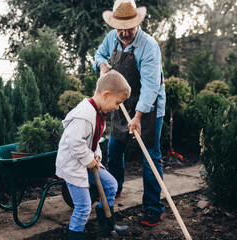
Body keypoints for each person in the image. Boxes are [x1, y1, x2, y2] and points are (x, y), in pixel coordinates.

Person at [93, 0, 166, 227]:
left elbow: (151, 86)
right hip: (120, 105)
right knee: (114, 151)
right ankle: (114, 190)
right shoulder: (111, 39)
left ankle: (154, 208)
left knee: (150, 158)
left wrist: (138, 116)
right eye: (119, 28)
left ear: (137, 23)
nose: (124, 33)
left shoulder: (148, 45)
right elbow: (98, 55)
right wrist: (102, 65)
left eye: (129, 28)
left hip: (148, 108)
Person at [56, 70, 131, 239]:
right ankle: (76, 235)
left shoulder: (99, 113)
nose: (117, 107)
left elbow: (94, 141)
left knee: (111, 185)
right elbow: (74, 142)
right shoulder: (84, 114)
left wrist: (96, 156)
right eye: (117, 103)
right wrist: (88, 158)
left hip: (87, 160)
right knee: (83, 207)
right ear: (106, 95)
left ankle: (107, 226)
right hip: (73, 164)